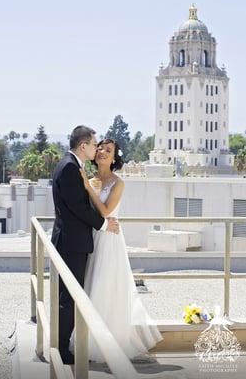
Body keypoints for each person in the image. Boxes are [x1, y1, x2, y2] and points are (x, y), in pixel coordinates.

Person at [70, 138, 163, 362]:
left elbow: (105, 211)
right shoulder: (89, 179)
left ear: (114, 158)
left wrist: (86, 187)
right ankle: (88, 339)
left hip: (109, 242)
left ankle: (107, 344)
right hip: (91, 239)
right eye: (100, 147)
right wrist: (86, 184)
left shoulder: (117, 183)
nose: (102, 151)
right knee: (90, 288)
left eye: (108, 150)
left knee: (106, 289)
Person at [51, 126, 119, 365]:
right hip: (72, 243)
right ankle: (60, 350)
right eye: (94, 144)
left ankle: (60, 345)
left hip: (71, 241)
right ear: (83, 146)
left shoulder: (70, 165)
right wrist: (103, 225)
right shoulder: (70, 168)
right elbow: (78, 209)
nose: (96, 148)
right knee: (69, 297)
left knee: (68, 295)